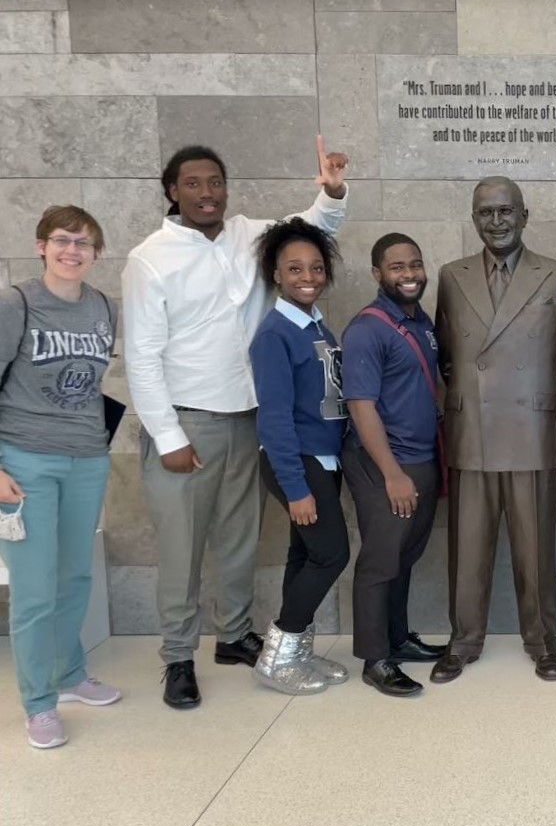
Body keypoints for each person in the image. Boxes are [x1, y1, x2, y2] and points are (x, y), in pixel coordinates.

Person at [123, 138, 349, 709]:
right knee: (182, 548)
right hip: (188, 424)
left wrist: (333, 188)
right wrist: (169, 435)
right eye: (194, 184)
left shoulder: (252, 234)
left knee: (239, 540)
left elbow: (312, 229)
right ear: (172, 192)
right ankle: (177, 657)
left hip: (250, 419)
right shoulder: (150, 257)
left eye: (216, 182)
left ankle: (234, 636)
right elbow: (142, 356)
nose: (207, 193)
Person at [430, 177, 556, 684]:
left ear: (524, 214)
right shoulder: (451, 276)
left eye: (505, 211)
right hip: (472, 428)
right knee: (467, 549)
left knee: (535, 550)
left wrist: (535, 403)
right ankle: (463, 641)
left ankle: (543, 642)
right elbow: (447, 353)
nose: (496, 222)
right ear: (473, 219)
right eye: (485, 213)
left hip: (530, 430)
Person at [0, 206, 121, 749]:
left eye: (85, 243)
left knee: (74, 578)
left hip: (88, 459)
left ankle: (70, 675)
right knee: (32, 590)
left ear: (97, 253)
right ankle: (38, 703)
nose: (74, 251)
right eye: (64, 240)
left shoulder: (102, 307)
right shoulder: (16, 303)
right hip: (25, 460)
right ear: (42, 245)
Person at [248, 218, 350, 695]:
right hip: (299, 461)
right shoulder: (275, 334)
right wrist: (295, 486)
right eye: (294, 268)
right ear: (276, 274)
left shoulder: (315, 325)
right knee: (331, 554)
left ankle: (298, 653)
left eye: (314, 267)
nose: (306, 276)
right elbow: (274, 417)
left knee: (303, 555)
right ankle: (279, 653)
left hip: (323, 459)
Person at [341, 233, 446, 697]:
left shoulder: (420, 321)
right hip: (385, 465)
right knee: (380, 562)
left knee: (404, 558)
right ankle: (374, 657)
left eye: (415, 265)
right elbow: (361, 406)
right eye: (397, 267)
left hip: (421, 459)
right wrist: (392, 474)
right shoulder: (368, 328)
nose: (409, 275)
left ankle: (397, 639)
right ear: (377, 274)